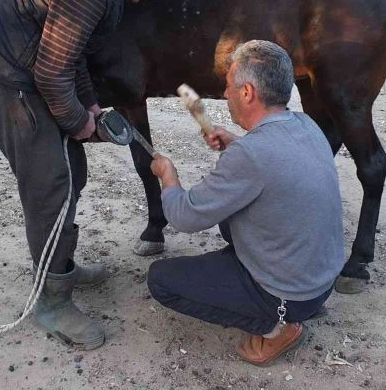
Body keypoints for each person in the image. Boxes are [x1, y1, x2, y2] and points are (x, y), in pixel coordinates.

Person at [0, 0, 193, 350]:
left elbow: (74, 53)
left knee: (73, 171)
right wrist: (80, 124)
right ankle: (52, 302)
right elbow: (53, 72)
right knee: (50, 183)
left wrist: (88, 104)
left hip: (31, 70)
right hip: (10, 78)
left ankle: (61, 267)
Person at [147, 40, 345, 366]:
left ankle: (277, 328)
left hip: (288, 297)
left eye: (228, 87)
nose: (225, 95)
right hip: (321, 283)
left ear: (248, 93)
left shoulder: (251, 154)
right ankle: (286, 303)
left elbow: (184, 217)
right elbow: (275, 163)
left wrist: (168, 177)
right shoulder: (307, 125)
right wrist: (234, 142)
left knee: (161, 280)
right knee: (233, 216)